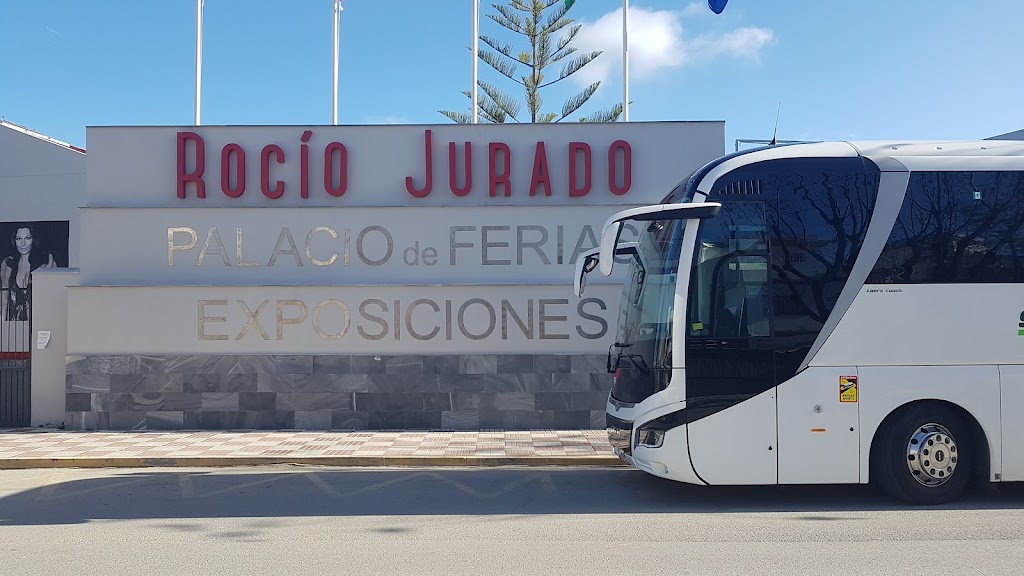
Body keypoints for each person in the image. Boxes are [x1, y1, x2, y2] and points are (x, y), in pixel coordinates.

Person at [1, 224, 55, 321]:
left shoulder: (46, 263)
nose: (23, 244)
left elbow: (52, 299)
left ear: (33, 239)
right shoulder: (8, 263)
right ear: (14, 241)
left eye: (27, 238)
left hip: (39, 321)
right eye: (19, 239)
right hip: (14, 324)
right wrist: (3, 324)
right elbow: (3, 299)